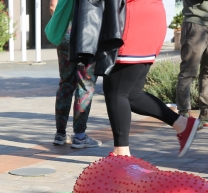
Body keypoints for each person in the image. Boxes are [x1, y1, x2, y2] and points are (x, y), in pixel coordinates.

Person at [75, 0, 198, 157]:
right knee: (132, 94)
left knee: (116, 92)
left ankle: (121, 154)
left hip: (132, 22)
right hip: (149, 18)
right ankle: (182, 124)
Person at [49, 0, 100, 148]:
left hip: (66, 32)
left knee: (65, 82)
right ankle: (79, 136)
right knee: (85, 84)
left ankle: (60, 133)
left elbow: (53, 6)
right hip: (87, 31)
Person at [176, 0, 208, 126]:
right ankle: (184, 114)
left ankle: (205, 113)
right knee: (189, 71)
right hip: (195, 23)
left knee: (207, 72)